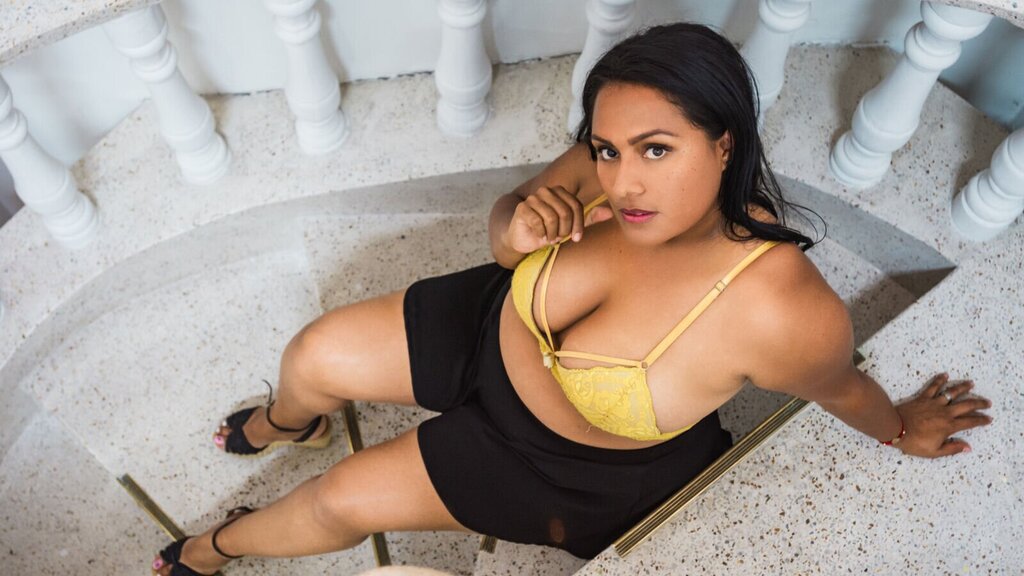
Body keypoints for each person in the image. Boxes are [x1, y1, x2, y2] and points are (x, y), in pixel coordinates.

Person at [151, 22, 993, 575]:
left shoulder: (779, 308)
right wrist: (516, 232)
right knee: (311, 354)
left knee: (339, 499)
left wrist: (899, 427)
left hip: (558, 465)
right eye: (608, 148)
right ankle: (290, 423)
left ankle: (216, 547)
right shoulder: (608, 167)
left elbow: (839, 386)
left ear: (723, 142)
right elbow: (506, 225)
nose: (622, 183)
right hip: (492, 328)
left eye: (657, 150)